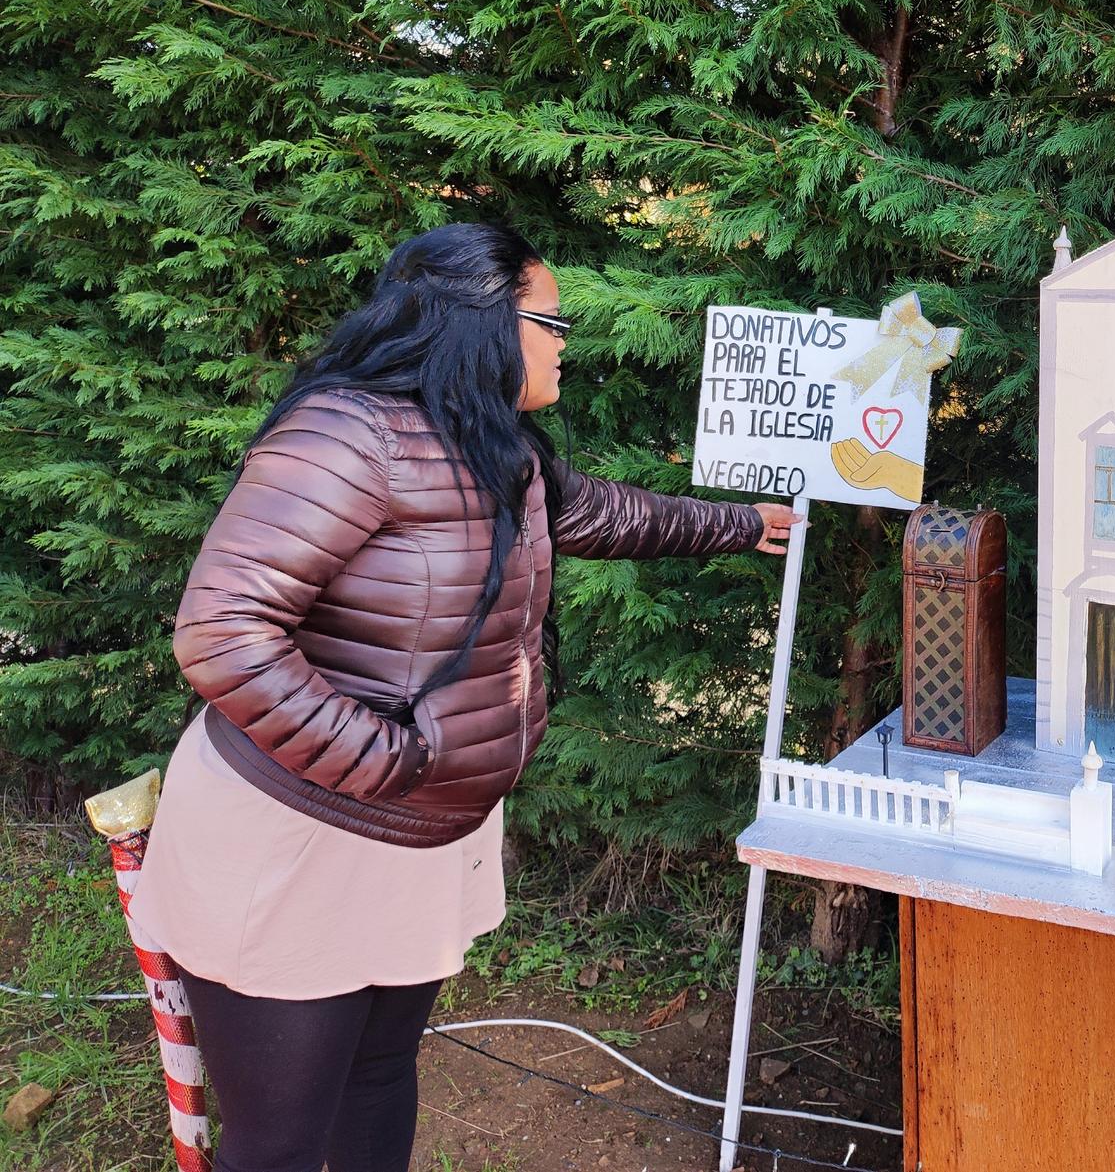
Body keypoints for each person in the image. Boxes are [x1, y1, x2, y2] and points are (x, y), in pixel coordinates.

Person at [130, 223, 798, 1172]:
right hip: (296, 838)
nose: (565, 340)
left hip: (420, 839)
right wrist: (387, 759)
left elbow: (600, 512)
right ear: (483, 320)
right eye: (551, 320)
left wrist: (744, 524)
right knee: (278, 1143)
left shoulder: (495, 443)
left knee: (377, 1072)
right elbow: (221, 635)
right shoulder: (347, 432)